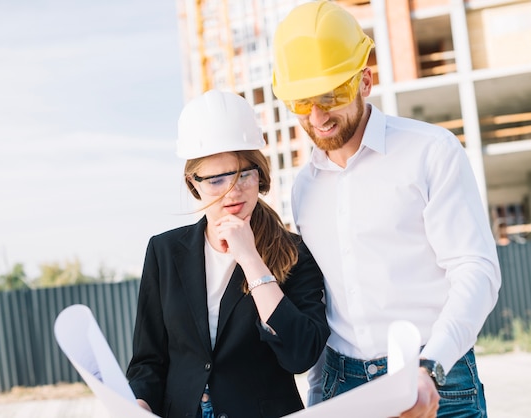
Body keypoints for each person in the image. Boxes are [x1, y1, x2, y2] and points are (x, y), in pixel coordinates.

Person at [271, 1, 502, 417]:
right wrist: (319, 393)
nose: (318, 116)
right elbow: (327, 300)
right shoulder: (304, 187)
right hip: (343, 385)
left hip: (435, 376)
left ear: (365, 80)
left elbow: (477, 270)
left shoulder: (431, 152)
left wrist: (430, 366)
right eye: (303, 102)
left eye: (330, 95)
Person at [126, 89, 330, 418]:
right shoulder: (164, 252)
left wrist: (251, 259)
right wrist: (139, 404)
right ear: (194, 184)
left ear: (260, 174)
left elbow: (300, 354)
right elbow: (149, 360)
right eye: (216, 181)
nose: (232, 192)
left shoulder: (294, 253)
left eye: (242, 175)